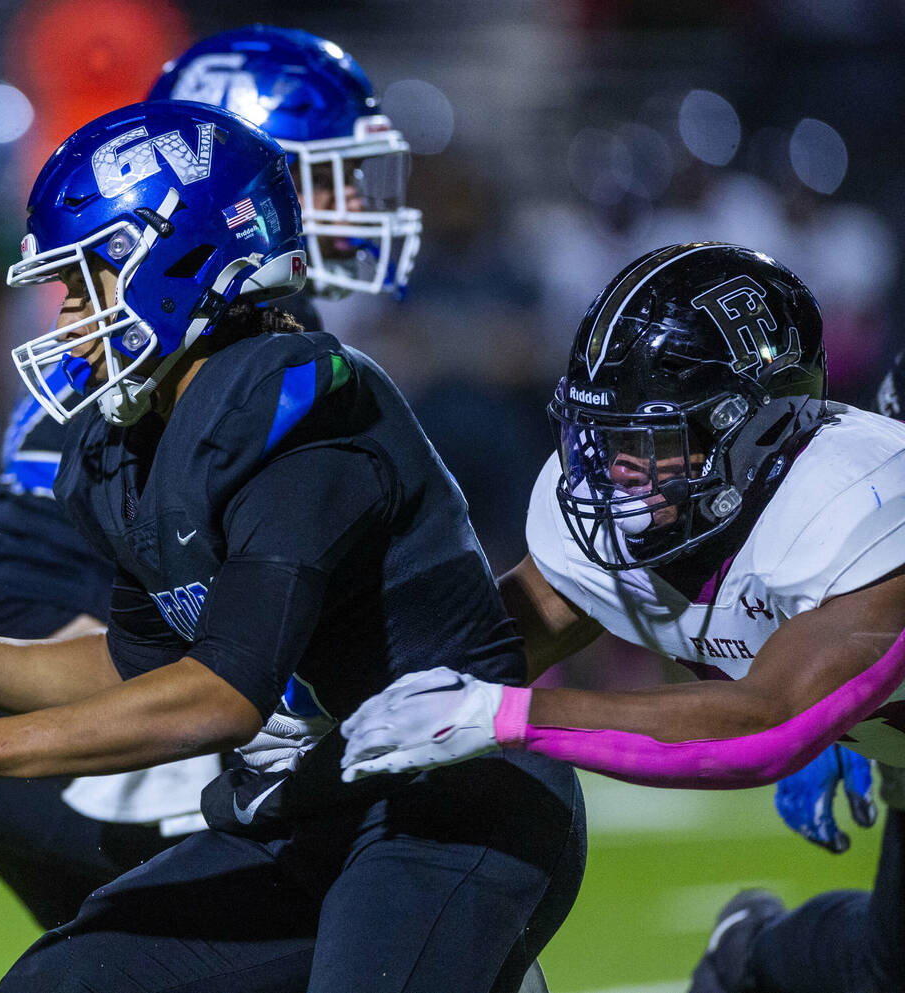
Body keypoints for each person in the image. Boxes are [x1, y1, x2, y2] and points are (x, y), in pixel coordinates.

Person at [0, 100, 583, 993]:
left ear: (176, 263)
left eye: (85, 283)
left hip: (448, 805)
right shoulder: (138, 439)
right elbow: (146, 663)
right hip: (306, 805)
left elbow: (221, 696)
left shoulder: (304, 413)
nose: (65, 323)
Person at [0, 24, 423, 931]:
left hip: (78, 671)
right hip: (71, 683)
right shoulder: (206, 355)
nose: (358, 198)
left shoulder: (215, 337)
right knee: (350, 868)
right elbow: (192, 653)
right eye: (334, 172)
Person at [340, 242, 905, 993]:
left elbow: (767, 720)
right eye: (601, 440)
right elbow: (487, 644)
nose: (614, 476)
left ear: (758, 432)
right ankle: (752, 960)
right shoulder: (633, 524)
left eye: (648, 444)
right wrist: (329, 709)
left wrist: (504, 716)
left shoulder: (858, 503)